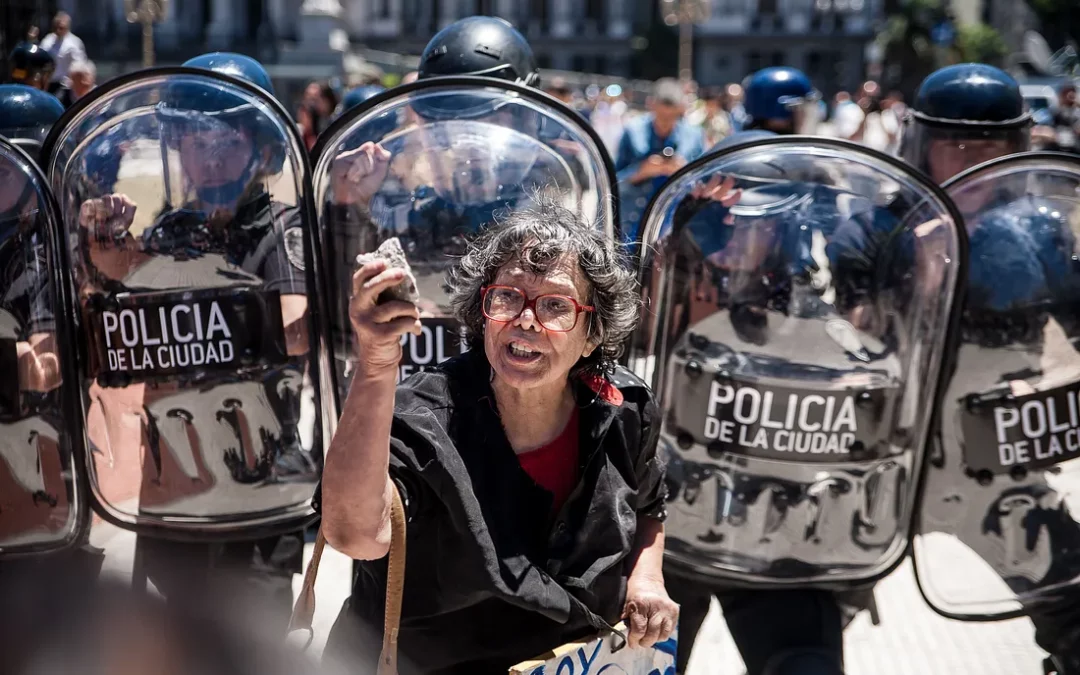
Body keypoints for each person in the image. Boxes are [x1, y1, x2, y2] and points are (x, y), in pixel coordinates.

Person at [320, 195, 677, 675]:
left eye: (555, 305)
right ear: (481, 311)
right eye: (507, 296)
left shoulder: (624, 408)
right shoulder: (420, 418)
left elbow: (648, 506)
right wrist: (377, 361)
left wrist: (647, 580)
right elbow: (354, 535)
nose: (526, 319)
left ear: (592, 334)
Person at [74, 52, 314, 629]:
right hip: (174, 487)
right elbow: (117, 344)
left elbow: (297, 330)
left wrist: (190, 299)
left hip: (253, 496)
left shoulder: (283, 228)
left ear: (260, 148)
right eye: (189, 137)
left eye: (222, 139)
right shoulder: (169, 230)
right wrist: (106, 262)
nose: (205, 155)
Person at [901, 63, 1080, 675]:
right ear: (923, 147)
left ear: (1018, 149)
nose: (974, 162)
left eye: (992, 147)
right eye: (955, 146)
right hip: (882, 457)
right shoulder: (881, 223)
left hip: (997, 462)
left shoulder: (1048, 234)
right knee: (797, 616)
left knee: (1074, 608)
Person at [615, 77, 706, 243]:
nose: (665, 122)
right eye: (661, 116)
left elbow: (704, 183)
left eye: (671, 117)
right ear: (651, 105)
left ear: (680, 109)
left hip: (675, 225)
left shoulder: (694, 136)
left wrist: (683, 171)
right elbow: (614, 182)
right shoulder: (633, 131)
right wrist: (641, 172)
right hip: (633, 222)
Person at [741, 67, 821, 136]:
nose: (804, 114)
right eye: (799, 107)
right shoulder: (769, 150)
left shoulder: (744, 141)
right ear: (780, 110)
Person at [39, 12, 86, 98]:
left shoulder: (74, 43)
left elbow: (79, 65)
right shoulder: (47, 41)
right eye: (56, 27)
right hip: (50, 83)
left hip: (66, 85)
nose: (58, 30)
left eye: (61, 28)